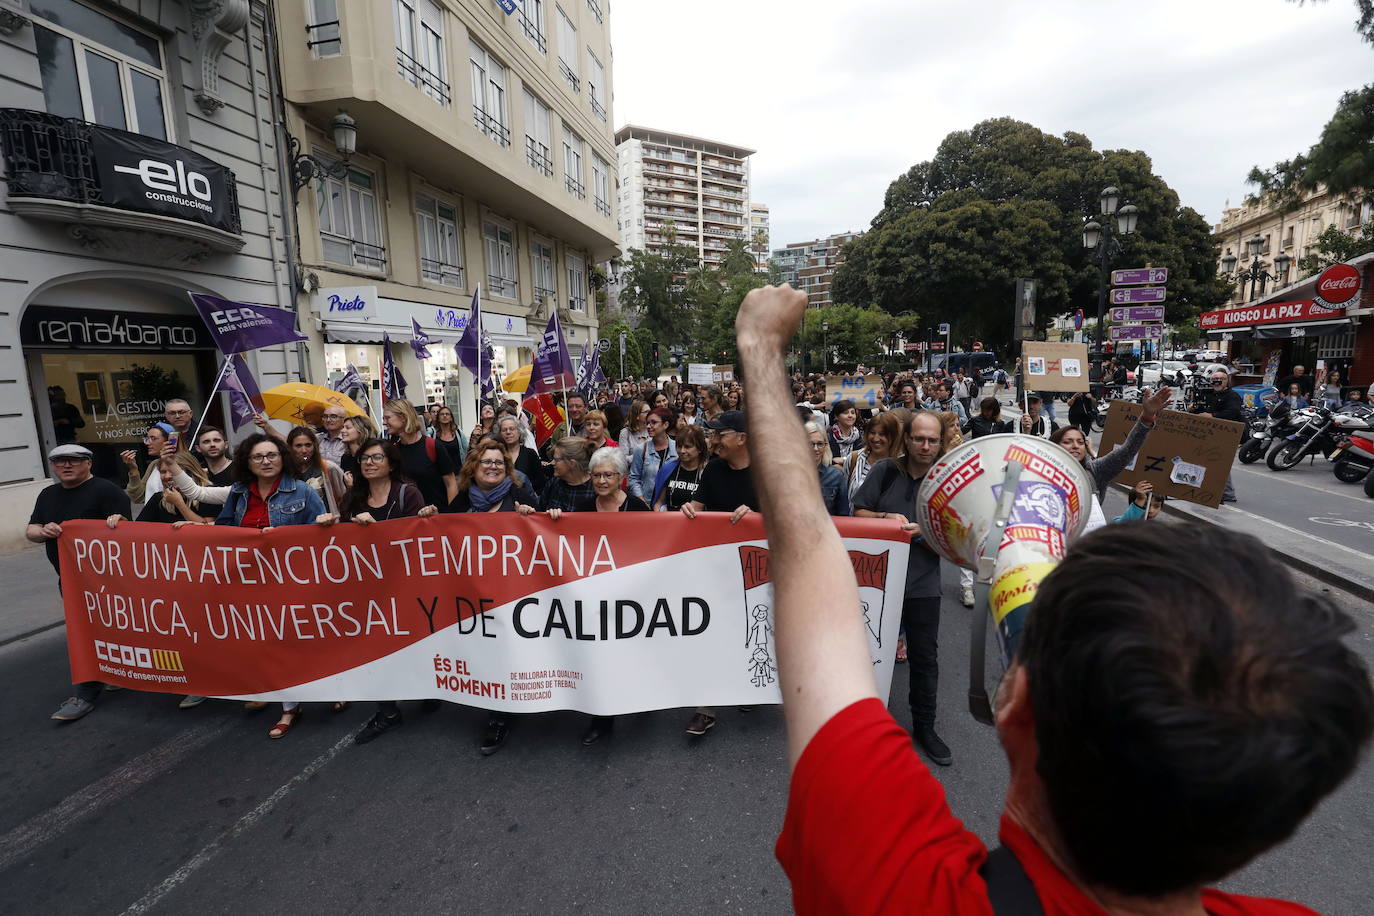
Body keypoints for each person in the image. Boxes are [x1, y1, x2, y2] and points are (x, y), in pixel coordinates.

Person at [735, 284, 1374, 916]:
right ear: (1274, 820)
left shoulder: (902, 890)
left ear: (1012, 701)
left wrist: (761, 347)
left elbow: (805, 549)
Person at [316, 438, 439, 744]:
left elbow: (416, 538)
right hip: (370, 590)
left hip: (405, 587)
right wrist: (329, 526)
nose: (368, 463)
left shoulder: (407, 493)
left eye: (375, 458)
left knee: (412, 644)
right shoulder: (354, 497)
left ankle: (428, 687)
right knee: (376, 649)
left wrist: (384, 529)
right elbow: (343, 543)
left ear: (391, 463)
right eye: (364, 459)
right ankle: (387, 711)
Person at [211, 433, 326, 738]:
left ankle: (294, 704)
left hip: (289, 582)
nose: (266, 461)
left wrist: (291, 536)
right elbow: (223, 528)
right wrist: (193, 530)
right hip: (250, 582)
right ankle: (288, 699)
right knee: (266, 642)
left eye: (272, 455)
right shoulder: (238, 492)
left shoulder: (301, 491)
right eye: (258, 457)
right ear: (247, 462)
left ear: (283, 458)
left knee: (292, 641)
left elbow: (326, 533)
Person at [852, 409, 950, 765]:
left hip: (923, 583)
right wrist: (883, 519)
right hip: (877, 583)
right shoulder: (885, 471)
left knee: (925, 658)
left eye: (932, 440)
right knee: (871, 656)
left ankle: (925, 726)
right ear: (906, 439)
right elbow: (858, 512)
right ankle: (868, 723)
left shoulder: (948, 478)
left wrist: (926, 531)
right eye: (919, 438)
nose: (925, 446)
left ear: (941, 442)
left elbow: (961, 535)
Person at [29, 444, 131, 722]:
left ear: (89, 463)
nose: (66, 466)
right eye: (59, 462)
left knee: (96, 631)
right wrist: (42, 531)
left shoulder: (107, 491)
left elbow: (130, 533)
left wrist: (118, 524)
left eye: (73, 461)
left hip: (108, 583)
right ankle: (110, 670)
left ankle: (86, 693)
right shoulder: (47, 494)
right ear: (52, 467)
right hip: (71, 581)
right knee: (87, 631)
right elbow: (31, 529)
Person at [679, 409, 758, 738]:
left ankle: (751, 687)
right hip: (718, 567)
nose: (712, 441)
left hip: (758, 569)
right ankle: (705, 708)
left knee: (753, 629)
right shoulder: (712, 469)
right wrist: (688, 510)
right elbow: (698, 506)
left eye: (719, 435)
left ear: (741, 438)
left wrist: (758, 516)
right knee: (710, 633)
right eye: (711, 435)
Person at [1049, 385, 1170, 533]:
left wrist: (1146, 417)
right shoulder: (1040, 473)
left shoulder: (1096, 471)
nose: (1075, 446)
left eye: (1080, 442)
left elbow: (1128, 449)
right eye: (1067, 442)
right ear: (1055, 446)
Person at [383, 399, 457, 510]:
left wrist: (451, 515)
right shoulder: (392, 450)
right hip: (407, 519)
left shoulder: (433, 446)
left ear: (403, 417)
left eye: (387, 418)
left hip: (435, 517)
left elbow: (451, 484)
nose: (384, 422)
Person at [1194, 367, 1243, 504]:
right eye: (1215, 380)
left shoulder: (1232, 396)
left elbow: (1233, 412)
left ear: (1227, 381)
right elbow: (1202, 409)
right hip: (1210, 433)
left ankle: (1227, 493)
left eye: (1221, 379)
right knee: (1213, 461)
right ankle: (1225, 492)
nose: (1218, 382)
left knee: (1220, 461)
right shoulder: (1209, 395)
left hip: (1228, 435)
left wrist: (1212, 416)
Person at [285, 425, 348, 516]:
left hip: (326, 524)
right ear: (290, 448)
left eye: (308, 445)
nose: (304, 450)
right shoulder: (284, 471)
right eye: (298, 446)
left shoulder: (329, 468)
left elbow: (344, 498)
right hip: (294, 524)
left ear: (315, 446)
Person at [843, 410, 902, 499]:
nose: (876, 439)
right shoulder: (854, 458)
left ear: (893, 436)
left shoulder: (902, 464)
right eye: (872, 433)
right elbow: (843, 494)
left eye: (882, 434)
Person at [652, 424, 708, 512]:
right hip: (669, 522)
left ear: (700, 448)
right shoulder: (668, 468)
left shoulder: (707, 472)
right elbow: (659, 502)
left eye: (687, 447)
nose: (682, 451)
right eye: (679, 446)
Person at [120, 422, 176, 508]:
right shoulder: (154, 465)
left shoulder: (182, 464)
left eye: (153, 439)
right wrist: (133, 469)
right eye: (147, 438)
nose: (147, 443)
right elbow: (137, 497)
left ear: (170, 441)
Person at [628, 407, 676, 503]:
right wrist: (641, 500)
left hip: (670, 505)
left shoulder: (677, 448)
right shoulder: (641, 449)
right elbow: (633, 479)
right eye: (647, 423)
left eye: (654, 422)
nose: (649, 426)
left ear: (665, 425)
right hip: (646, 503)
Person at [538, 436, 597, 513]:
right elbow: (539, 511)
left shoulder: (595, 489)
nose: (552, 463)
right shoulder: (554, 484)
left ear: (572, 463)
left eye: (556, 460)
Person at [805, 422, 851, 517]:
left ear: (826, 445)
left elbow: (843, 514)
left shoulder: (836, 475)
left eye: (820, 444)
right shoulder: (790, 475)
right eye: (810, 444)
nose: (815, 448)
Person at [493, 414, 545, 494]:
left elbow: (540, 482)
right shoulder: (497, 454)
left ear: (519, 431)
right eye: (504, 430)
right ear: (500, 434)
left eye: (512, 429)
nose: (508, 432)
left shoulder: (530, 454)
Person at [338, 415, 376, 483]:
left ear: (361, 430)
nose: (342, 430)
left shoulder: (370, 457)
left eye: (348, 428)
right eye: (343, 427)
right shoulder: (345, 457)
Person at [431, 405, 467, 470]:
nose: (444, 416)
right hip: (440, 474)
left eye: (447, 414)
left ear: (451, 418)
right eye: (442, 414)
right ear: (438, 418)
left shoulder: (458, 432)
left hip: (459, 473)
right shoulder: (433, 434)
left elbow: (466, 449)